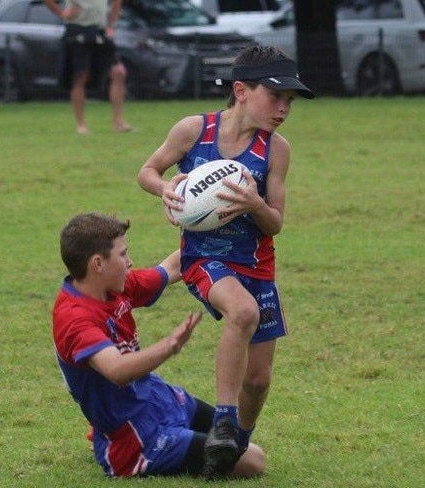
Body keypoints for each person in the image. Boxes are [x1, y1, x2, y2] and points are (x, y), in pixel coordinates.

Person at [137, 45, 314, 478]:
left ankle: (234, 441)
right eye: (276, 97)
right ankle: (223, 419)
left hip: (257, 265)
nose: (284, 108)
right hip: (203, 259)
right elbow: (147, 171)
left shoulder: (277, 151)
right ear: (240, 90)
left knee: (259, 380)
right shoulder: (193, 131)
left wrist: (255, 202)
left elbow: (274, 224)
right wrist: (164, 190)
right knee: (243, 311)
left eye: (289, 101)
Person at [52, 212, 265, 479]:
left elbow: (172, 267)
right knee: (254, 460)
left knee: (235, 436)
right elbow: (116, 370)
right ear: (98, 263)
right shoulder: (74, 318)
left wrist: (216, 229)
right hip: (135, 438)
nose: (130, 263)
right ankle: (114, 439)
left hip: (157, 399)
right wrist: (169, 346)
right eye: (123, 255)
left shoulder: (116, 286)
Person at [42, 0, 133, 135]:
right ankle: (81, 125)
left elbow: (117, 2)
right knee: (80, 76)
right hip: (78, 30)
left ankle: (118, 122)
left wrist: (111, 24)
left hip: (99, 31)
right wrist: (61, 13)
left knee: (119, 72)